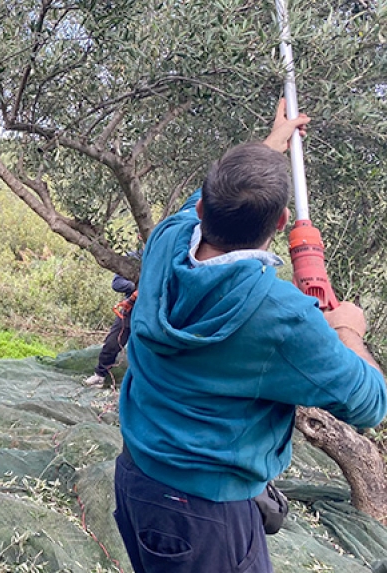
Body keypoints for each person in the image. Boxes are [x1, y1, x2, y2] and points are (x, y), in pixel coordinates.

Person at [113, 99, 387, 573]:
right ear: (280, 223)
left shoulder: (166, 239)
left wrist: (271, 144)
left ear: (203, 208)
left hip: (138, 478)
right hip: (207, 515)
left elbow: (199, 205)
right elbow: (370, 403)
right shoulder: (281, 315)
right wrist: (347, 328)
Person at [84, 247, 143, 387]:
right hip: (130, 308)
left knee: (147, 347)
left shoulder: (163, 257)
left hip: (154, 310)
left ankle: (144, 383)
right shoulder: (132, 258)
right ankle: (100, 375)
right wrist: (137, 287)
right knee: (112, 342)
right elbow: (117, 283)